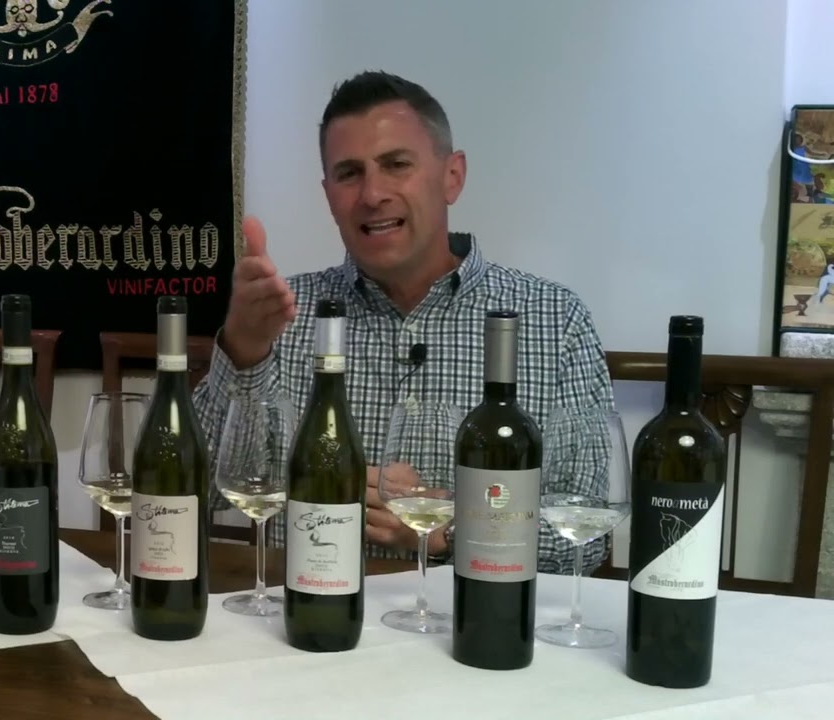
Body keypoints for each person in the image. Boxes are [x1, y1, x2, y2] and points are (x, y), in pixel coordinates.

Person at [191, 70, 616, 575]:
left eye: (396, 164)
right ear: (328, 194)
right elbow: (192, 493)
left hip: (475, 616)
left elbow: (589, 534)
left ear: (452, 176)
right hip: (309, 611)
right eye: (349, 173)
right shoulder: (284, 313)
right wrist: (243, 351)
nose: (372, 193)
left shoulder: (554, 320)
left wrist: (456, 531)